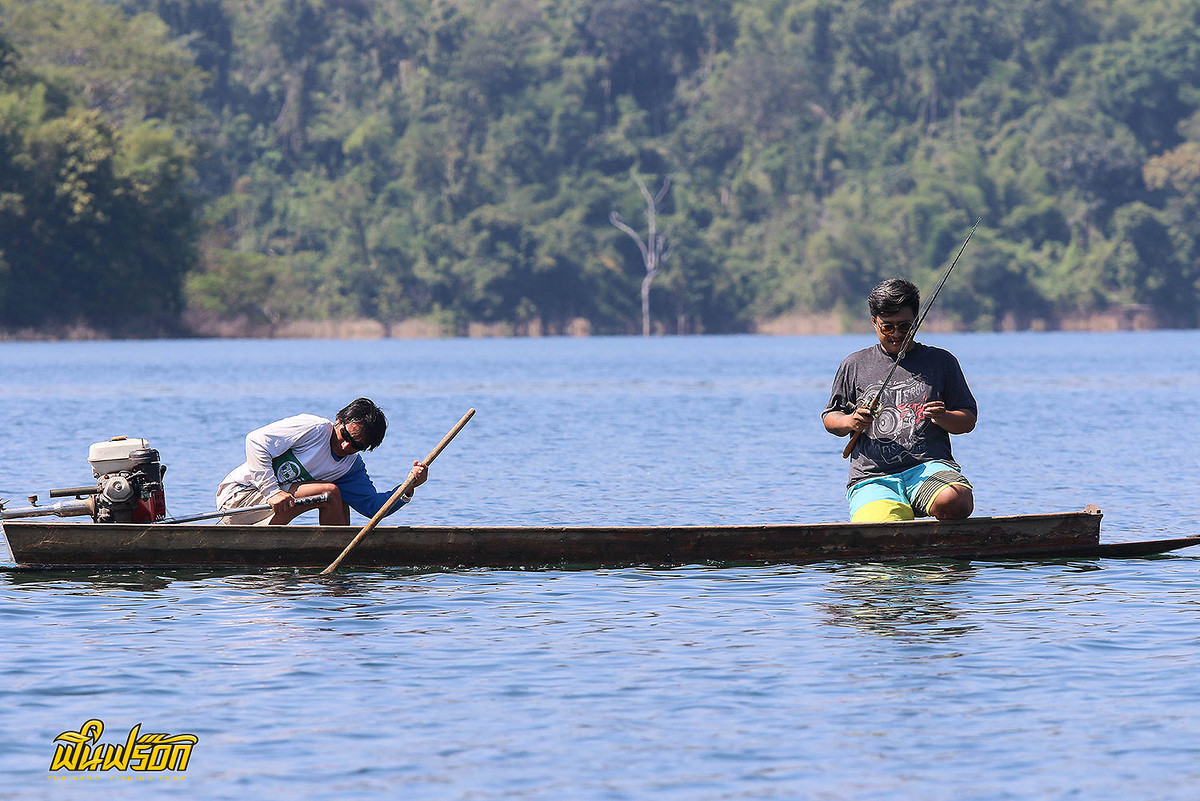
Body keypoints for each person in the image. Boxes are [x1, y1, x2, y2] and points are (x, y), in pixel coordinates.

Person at [821, 278, 977, 522]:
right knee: (885, 523)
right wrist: (851, 421)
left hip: (928, 468)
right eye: (887, 327)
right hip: (872, 476)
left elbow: (967, 421)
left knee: (955, 501)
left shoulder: (942, 362)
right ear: (874, 323)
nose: (896, 334)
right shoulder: (854, 364)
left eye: (904, 327)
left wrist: (943, 417)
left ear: (916, 322)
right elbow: (831, 418)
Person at [215, 397, 428, 525]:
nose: (346, 446)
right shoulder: (314, 429)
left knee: (340, 496)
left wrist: (408, 487)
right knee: (329, 493)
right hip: (237, 499)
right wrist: (272, 492)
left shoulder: (350, 467)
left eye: (357, 446)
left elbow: (373, 507)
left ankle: (336, 566)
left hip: (267, 509)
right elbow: (255, 441)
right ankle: (330, 558)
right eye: (345, 435)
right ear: (339, 420)